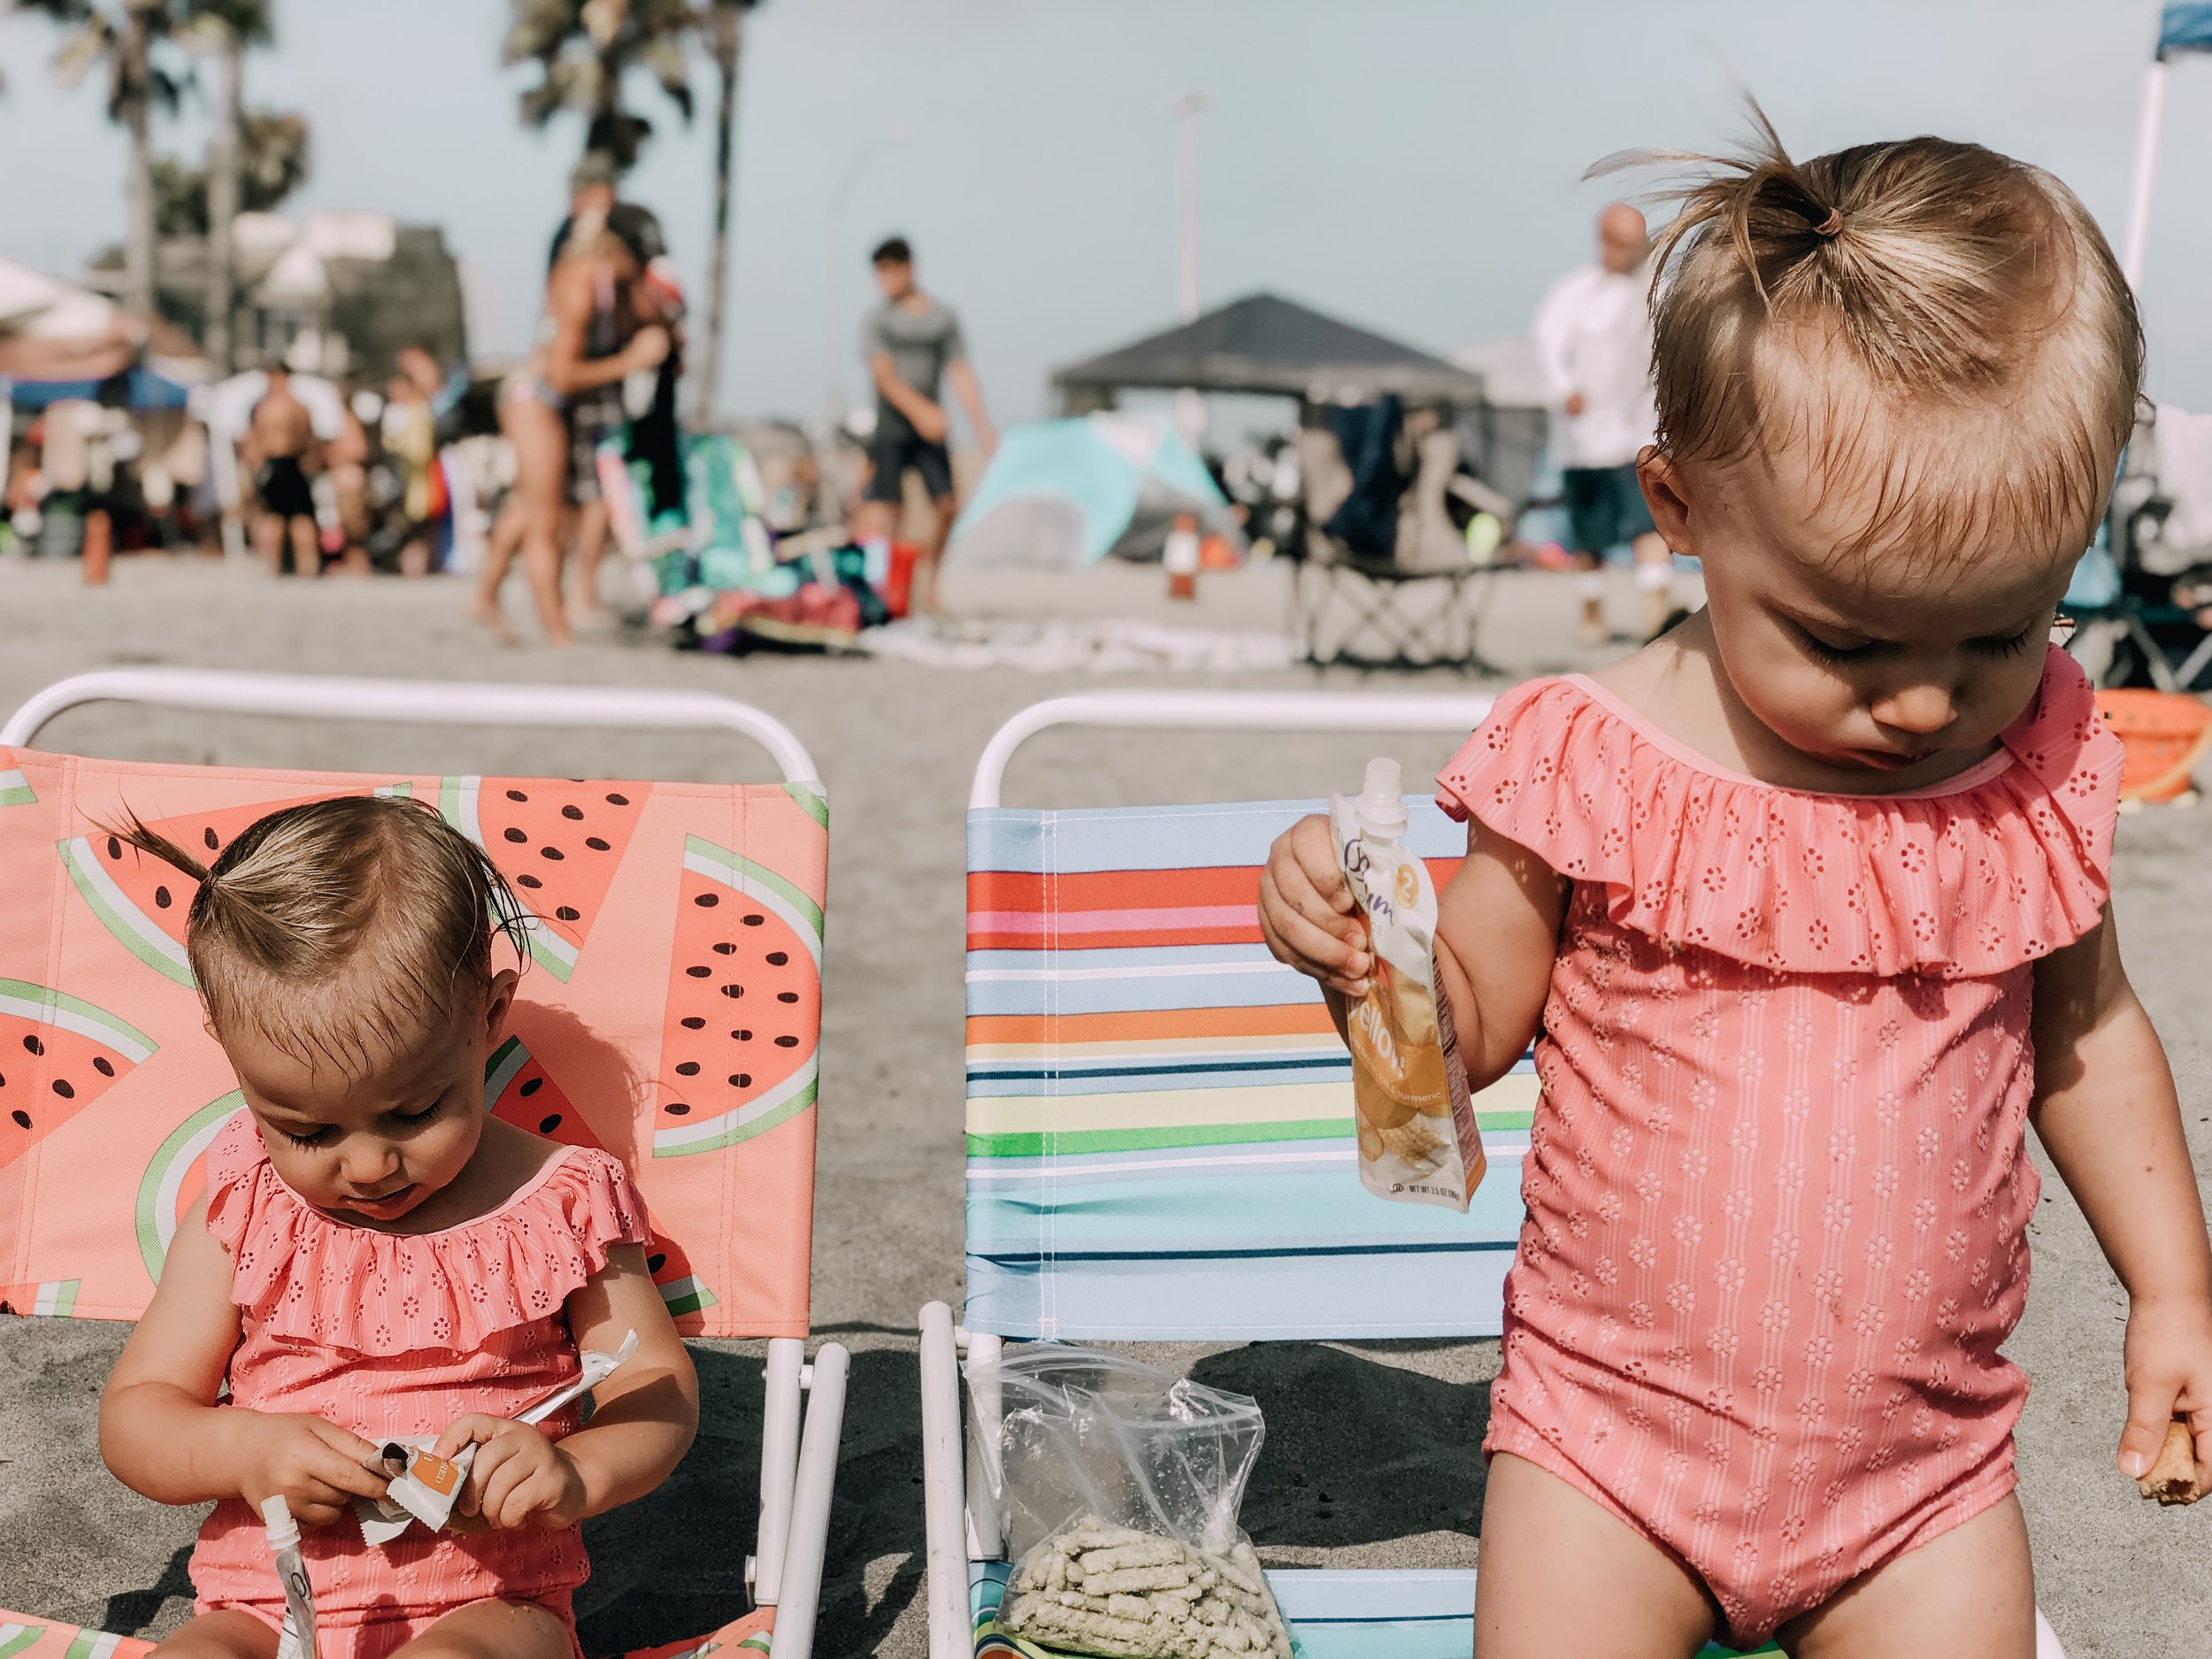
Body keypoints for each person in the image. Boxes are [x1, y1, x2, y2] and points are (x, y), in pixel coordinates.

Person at [1260, 117, 2211, 1659]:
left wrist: (2175, 1293)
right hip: (1608, 1452)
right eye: (1848, 641)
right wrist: (1362, 942)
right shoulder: (1591, 758)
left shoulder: (2032, 766)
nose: (1923, 705)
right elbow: (1475, 1027)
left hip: (1925, 1484)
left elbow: (2088, 1036)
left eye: (1996, 635)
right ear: (1680, 507)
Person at [99, 794, 698, 1659]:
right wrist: (243, 1448)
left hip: (492, 1603)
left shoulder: (563, 1202)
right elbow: (137, 1418)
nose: (370, 1165)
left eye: (414, 1113)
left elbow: (659, 1395)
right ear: (225, 1047)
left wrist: (576, 1471)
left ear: (490, 1018)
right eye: (308, 1131)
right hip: (269, 1606)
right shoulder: (246, 1199)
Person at [1531, 203, 1678, 645]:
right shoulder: (1573, 292)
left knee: (1648, 527)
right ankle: (1592, 613)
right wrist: (1564, 389)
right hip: (1585, 439)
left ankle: (1657, 613)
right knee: (1589, 536)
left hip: (1641, 436)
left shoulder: (1660, 290)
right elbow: (1547, 343)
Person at [854, 235, 995, 616]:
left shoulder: (942, 318)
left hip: (932, 429)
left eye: (889, 271)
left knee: (948, 505)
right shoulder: (878, 319)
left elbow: (960, 372)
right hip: (892, 426)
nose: (884, 281)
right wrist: (920, 412)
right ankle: (893, 592)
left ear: (908, 268)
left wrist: (984, 432)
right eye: (878, 273)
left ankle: (930, 583)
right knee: (889, 511)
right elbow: (883, 376)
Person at [242, 365, 321, 579]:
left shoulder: (264, 407)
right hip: (294, 464)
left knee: (273, 516)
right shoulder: (301, 408)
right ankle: (307, 566)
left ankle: (272, 565)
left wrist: (254, 469)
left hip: (271, 464)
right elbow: (311, 442)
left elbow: (253, 443)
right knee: (301, 516)